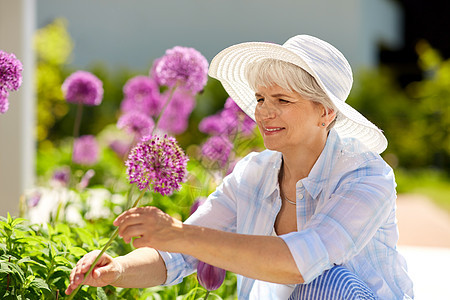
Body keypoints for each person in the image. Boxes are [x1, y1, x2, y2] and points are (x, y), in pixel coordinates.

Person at [65, 35, 414, 299]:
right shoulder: (254, 172)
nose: (263, 111)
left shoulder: (367, 177)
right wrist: (117, 268)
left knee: (329, 280)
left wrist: (179, 234)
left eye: (282, 100)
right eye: (261, 98)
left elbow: (299, 264)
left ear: (326, 112)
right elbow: (177, 257)